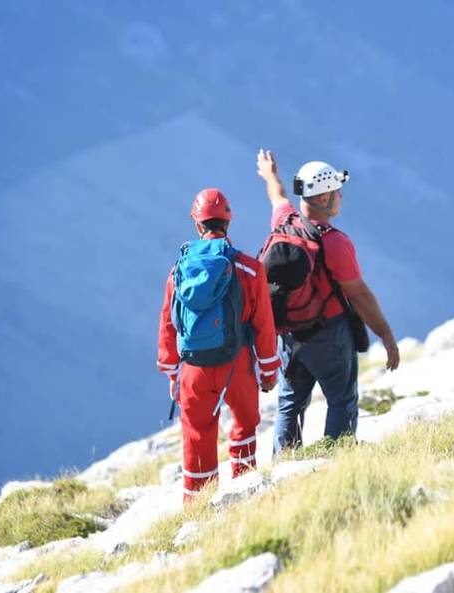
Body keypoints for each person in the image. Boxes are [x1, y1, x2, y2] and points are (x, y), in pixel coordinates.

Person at [255, 149, 399, 453]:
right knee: (341, 399)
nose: (341, 197)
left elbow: (277, 195)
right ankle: (336, 456)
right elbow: (359, 295)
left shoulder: (285, 221)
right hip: (329, 335)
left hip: (290, 336)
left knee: (290, 403)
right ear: (323, 198)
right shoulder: (334, 242)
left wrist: (270, 174)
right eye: (337, 191)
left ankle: (285, 461)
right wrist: (386, 335)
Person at [156, 188, 281, 501]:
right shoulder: (250, 269)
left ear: (197, 224)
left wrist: (172, 372)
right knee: (244, 427)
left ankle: (198, 510)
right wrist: (268, 371)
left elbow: (169, 324)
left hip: (194, 369)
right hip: (237, 363)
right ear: (228, 222)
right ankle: (244, 497)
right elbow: (264, 327)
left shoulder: (178, 272)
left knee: (197, 436)